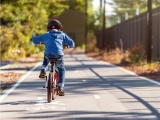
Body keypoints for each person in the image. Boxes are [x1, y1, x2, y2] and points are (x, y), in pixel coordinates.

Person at [32, 19, 75, 94]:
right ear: (59, 28)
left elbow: (35, 40)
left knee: (46, 54)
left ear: (48, 29)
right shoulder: (62, 35)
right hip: (58, 55)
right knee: (61, 69)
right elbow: (72, 43)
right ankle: (61, 87)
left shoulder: (46, 35)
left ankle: (43, 69)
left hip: (48, 54)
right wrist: (69, 45)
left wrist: (39, 41)